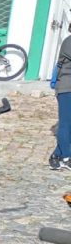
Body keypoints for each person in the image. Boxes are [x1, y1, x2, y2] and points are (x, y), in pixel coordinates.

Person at [51, 22, 71, 170]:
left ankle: (57, 155)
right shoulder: (69, 41)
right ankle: (66, 158)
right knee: (65, 123)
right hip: (66, 88)